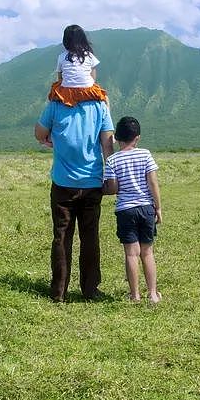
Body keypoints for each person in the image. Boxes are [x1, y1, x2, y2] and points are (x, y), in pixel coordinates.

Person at [34, 81, 115, 302]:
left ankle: (58, 291)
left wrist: (49, 138)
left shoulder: (55, 104)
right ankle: (90, 290)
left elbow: (39, 133)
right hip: (92, 181)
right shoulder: (100, 105)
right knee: (90, 237)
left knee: (61, 236)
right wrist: (111, 177)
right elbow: (108, 145)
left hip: (62, 182)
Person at [102, 116, 162, 303]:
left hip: (125, 210)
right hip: (146, 207)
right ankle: (152, 294)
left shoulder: (112, 160)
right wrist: (158, 207)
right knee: (147, 252)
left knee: (131, 253)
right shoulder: (145, 154)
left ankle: (134, 294)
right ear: (137, 137)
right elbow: (152, 182)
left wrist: (101, 189)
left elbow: (112, 189)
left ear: (117, 138)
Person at [48, 24, 109, 107]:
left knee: (55, 86)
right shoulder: (89, 55)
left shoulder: (61, 57)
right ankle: (106, 119)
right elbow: (93, 78)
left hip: (67, 93)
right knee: (105, 98)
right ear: (83, 39)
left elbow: (60, 79)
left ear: (65, 41)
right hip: (86, 91)